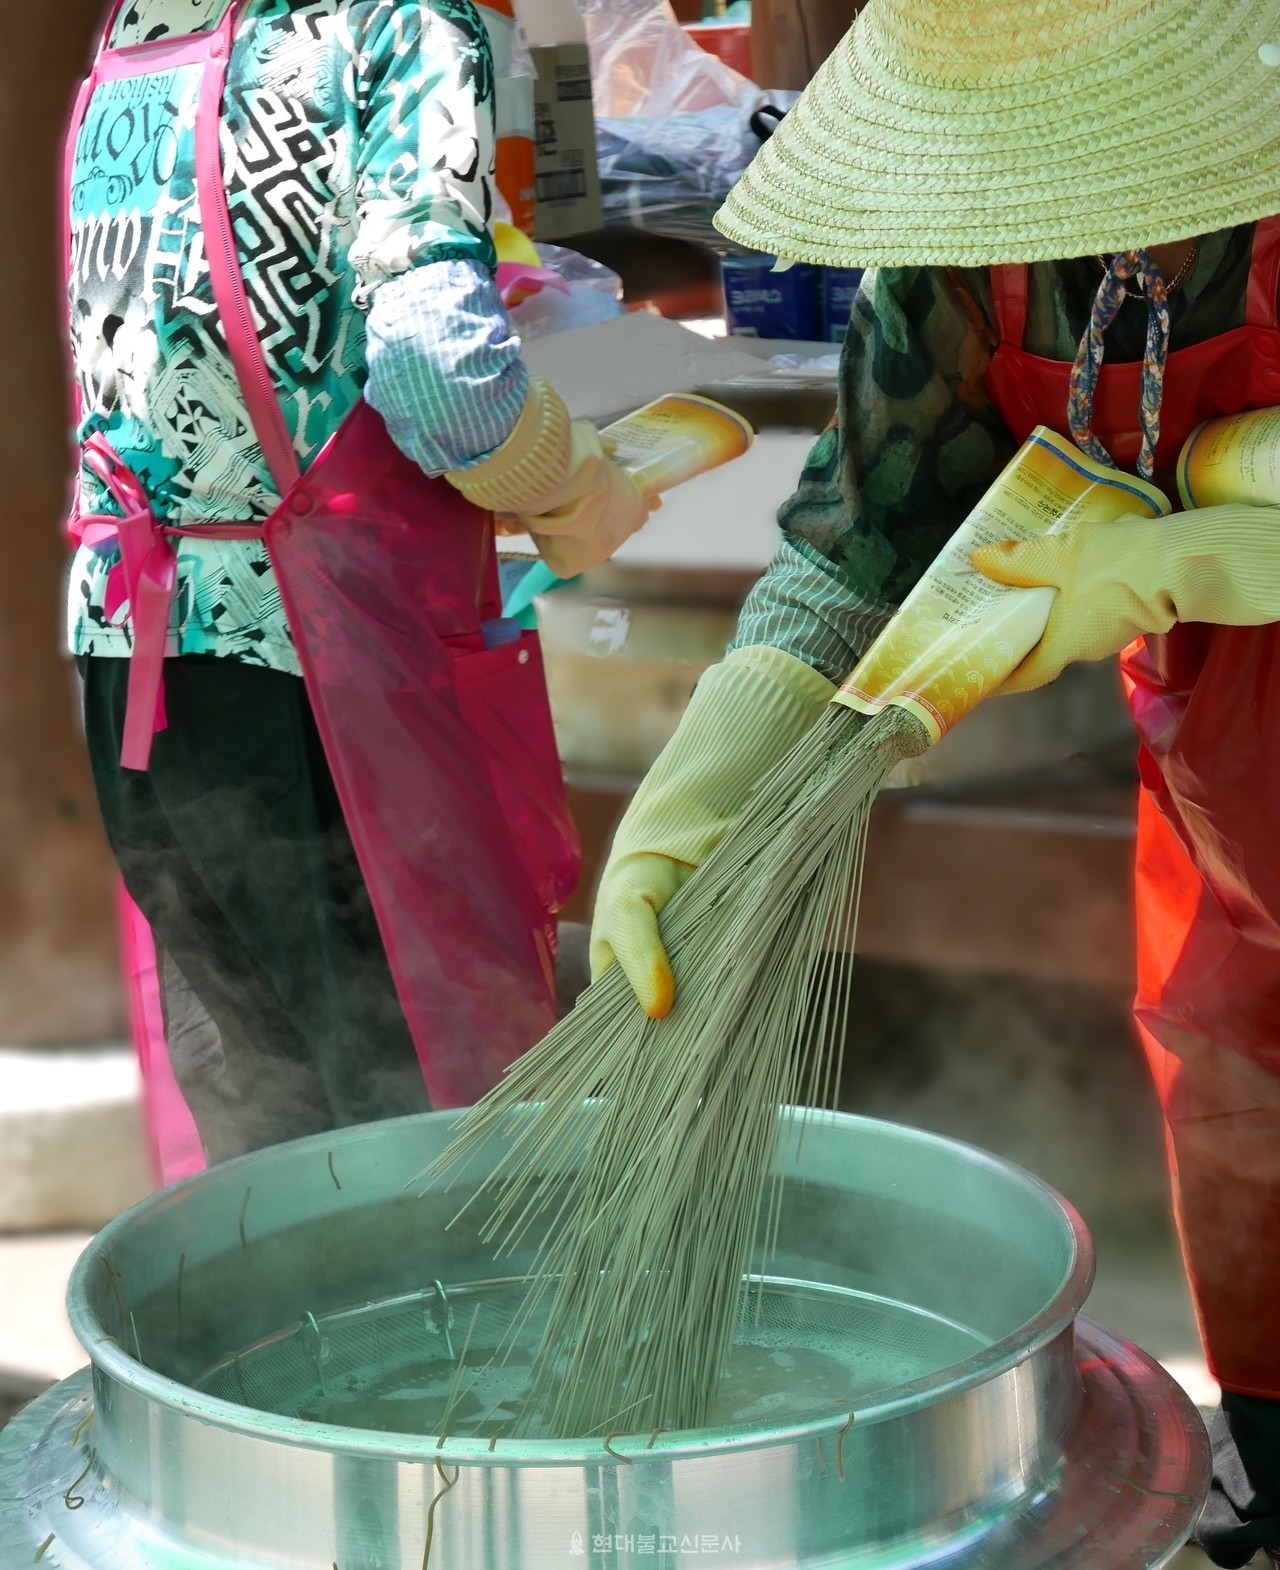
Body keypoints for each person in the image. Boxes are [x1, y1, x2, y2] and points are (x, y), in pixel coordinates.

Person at [588, 0, 1280, 1562]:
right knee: (1247, 1110)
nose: (1044, 188)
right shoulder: (974, 245)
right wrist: (720, 769)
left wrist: (1204, 541)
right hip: (1224, 787)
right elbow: (866, 542)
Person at [64, 0, 652, 1164]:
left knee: (268, 1136)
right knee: (423, 1136)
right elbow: (437, 374)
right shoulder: (403, 22)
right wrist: (569, 481)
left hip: (135, 656)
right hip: (320, 665)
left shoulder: (139, 23)